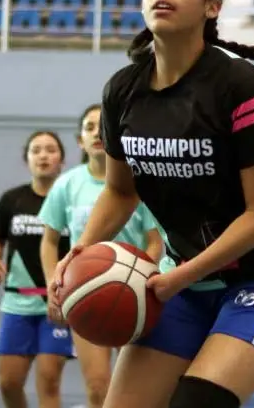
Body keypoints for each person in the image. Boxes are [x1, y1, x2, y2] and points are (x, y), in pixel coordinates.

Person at [47, 0, 254, 408]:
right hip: (185, 279)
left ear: (212, 8)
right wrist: (81, 250)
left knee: (195, 403)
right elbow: (119, 190)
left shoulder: (243, 89)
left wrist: (176, 278)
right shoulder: (123, 90)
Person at [39, 103, 165, 408]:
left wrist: (142, 276)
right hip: (84, 290)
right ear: (80, 140)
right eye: (89, 127)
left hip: (135, 292)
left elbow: (154, 241)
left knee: (135, 390)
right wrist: (52, 287)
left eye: (102, 127)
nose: (97, 132)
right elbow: (49, 241)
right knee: (98, 386)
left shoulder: (136, 183)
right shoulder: (67, 184)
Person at [0, 130, 73, 408]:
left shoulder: (69, 200)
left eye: (50, 149)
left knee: (48, 383)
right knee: (9, 384)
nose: (43, 156)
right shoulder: (12, 199)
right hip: (17, 304)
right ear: (27, 159)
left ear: (62, 159)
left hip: (55, 305)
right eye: (36, 150)